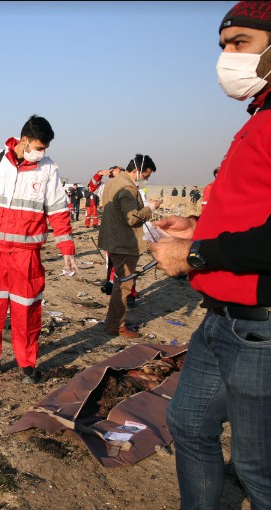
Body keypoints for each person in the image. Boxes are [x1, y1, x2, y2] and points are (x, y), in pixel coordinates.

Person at [149, 4, 271, 508]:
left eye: (240, 43)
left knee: (256, 470)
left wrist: (194, 254)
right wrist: (198, 227)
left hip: (259, 330)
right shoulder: (259, 119)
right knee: (187, 425)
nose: (227, 57)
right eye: (223, 46)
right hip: (220, 321)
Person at [0, 115, 78, 384]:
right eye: (38, 147)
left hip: (26, 256)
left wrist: (67, 248)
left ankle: (27, 364)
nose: (41, 154)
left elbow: (59, 211)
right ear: (23, 140)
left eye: (44, 150)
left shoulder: (48, 169)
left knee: (27, 311)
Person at [98, 154, 162, 338]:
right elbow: (132, 218)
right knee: (124, 285)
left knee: (120, 283)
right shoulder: (127, 187)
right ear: (137, 170)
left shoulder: (113, 182)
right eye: (146, 176)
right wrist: (151, 208)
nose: (146, 180)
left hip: (114, 239)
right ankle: (116, 326)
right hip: (124, 242)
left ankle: (113, 323)